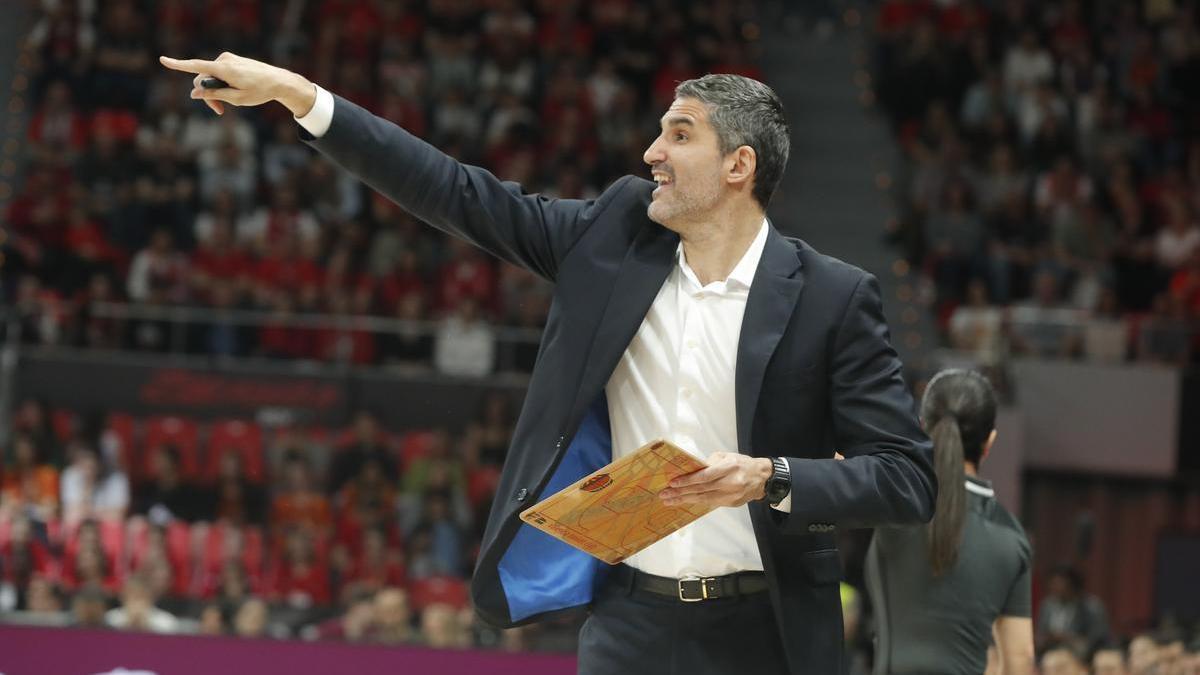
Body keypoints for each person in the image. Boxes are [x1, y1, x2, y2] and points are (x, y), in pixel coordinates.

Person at [160, 52, 936, 675]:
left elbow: (908, 477)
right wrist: (302, 97)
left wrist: (771, 475)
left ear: (739, 166)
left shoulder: (834, 296)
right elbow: (456, 192)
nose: (652, 151)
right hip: (628, 619)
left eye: (679, 133)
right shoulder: (611, 239)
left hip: (767, 629)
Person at [865, 370, 1034, 674]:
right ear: (989, 442)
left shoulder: (894, 500)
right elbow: (1020, 658)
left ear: (922, 426)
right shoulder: (1011, 536)